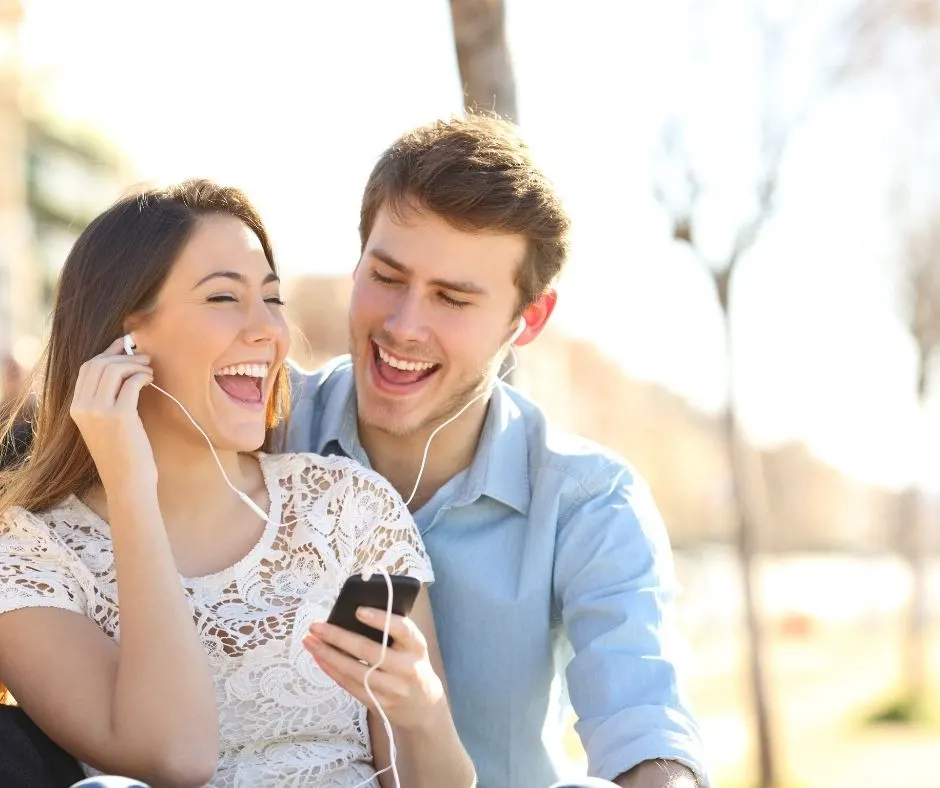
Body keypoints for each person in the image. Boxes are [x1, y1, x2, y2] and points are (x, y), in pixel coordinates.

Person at [0, 180, 476, 788]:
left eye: (272, 299)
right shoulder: (30, 557)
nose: (268, 331)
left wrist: (423, 714)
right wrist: (131, 490)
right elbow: (175, 756)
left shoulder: (348, 507)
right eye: (224, 297)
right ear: (125, 339)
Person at [282, 114, 710, 788]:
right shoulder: (262, 429)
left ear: (528, 319)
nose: (403, 326)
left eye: (452, 298)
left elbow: (644, 721)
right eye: (387, 277)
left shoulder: (589, 501)